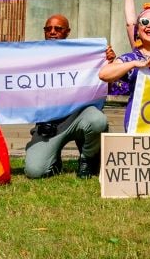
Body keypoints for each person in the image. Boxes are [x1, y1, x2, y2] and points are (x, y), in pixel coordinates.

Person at [23, 14, 109, 179]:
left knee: (98, 120)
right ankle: (52, 160)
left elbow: (105, 82)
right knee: (35, 172)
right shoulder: (33, 56)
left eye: (58, 29)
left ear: (67, 32)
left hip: (79, 117)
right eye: (48, 29)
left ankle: (87, 159)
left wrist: (107, 61)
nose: (52, 32)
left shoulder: (84, 55)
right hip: (50, 124)